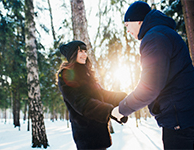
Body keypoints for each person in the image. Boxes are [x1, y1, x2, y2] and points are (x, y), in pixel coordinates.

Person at [112, 1, 194, 149]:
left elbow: (150, 87)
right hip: (184, 117)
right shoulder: (162, 33)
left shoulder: (154, 38)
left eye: (127, 25)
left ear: (137, 21)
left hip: (180, 121)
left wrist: (121, 109)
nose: (128, 31)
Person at [56, 40, 127, 150]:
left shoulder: (87, 73)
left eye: (85, 51)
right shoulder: (66, 74)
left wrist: (123, 97)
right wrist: (109, 111)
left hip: (100, 134)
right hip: (86, 137)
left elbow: (103, 94)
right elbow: (82, 103)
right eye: (81, 51)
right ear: (73, 54)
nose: (84, 55)